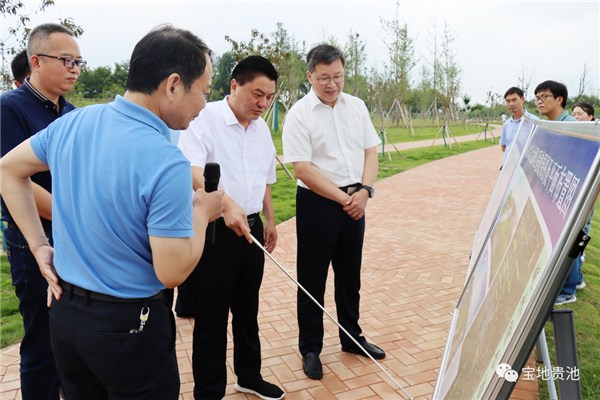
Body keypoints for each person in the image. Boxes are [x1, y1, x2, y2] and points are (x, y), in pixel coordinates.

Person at [0, 25, 223, 399]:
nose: (204, 103)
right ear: (172, 85)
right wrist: (202, 211)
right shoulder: (165, 160)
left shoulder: (73, 122)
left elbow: (7, 169)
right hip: (128, 330)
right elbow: (171, 271)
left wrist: (40, 246)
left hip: (67, 318)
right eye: (203, 91)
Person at [177, 55, 284, 400]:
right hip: (214, 231)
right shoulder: (203, 120)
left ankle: (249, 375)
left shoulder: (262, 128)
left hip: (251, 229)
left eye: (269, 97)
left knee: (247, 308)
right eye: (257, 94)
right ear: (234, 85)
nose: (263, 104)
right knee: (211, 316)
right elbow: (190, 171)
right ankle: (208, 391)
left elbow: (265, 178)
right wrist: (225, 203)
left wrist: (269, 218)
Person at [282, 44, 384, 381]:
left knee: (349, 274)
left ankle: (352, 336)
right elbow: (302, 169)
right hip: (318, 204)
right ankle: (310, 348)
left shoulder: (356, 107)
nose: (332, 84)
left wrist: (366, 192)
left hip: (357, 201)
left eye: (338, 76)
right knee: (312, 279)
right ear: (310, 76)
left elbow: (371, 152)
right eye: (324, 77)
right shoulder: (299, 113)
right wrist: (344, 199)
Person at [0, 23, 83, 400]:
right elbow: (15, 179)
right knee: (41, 340)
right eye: (66, 60)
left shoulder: (71, 113)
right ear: (35, 61)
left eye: (79, 61)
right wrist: (76, 214)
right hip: (32, 239)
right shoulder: (9, 109)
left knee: (70, 335)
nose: (75, 68)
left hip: (70, 236)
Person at [499, 87, 539, 166]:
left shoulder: (534, 121)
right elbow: (504, 147)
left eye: (514, 100)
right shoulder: (506, 124)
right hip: (507, 166)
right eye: (508, 101)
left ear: (522, 99)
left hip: (525, 168)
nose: (511, 104)